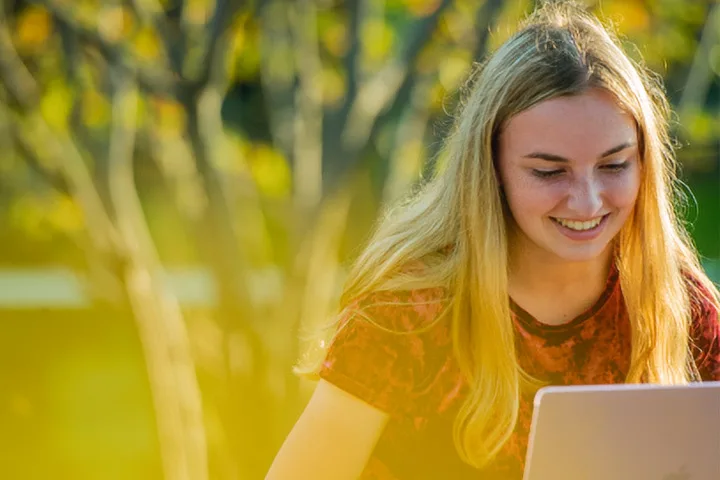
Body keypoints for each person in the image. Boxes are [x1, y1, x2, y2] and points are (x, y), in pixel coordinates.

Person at [266, 2, 720, 479]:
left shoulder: (677, 308)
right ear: (492, 168)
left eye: (613, 165)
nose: (587, 203)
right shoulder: (410, 313)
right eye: (549, 171)